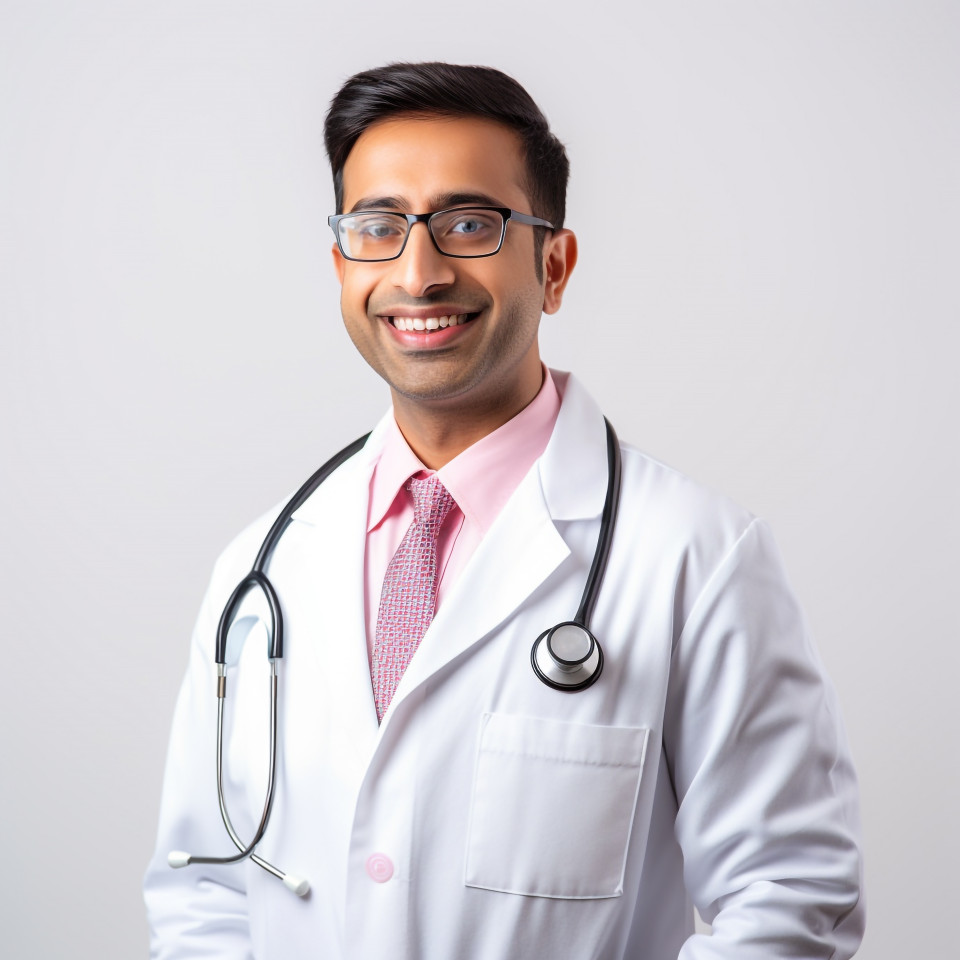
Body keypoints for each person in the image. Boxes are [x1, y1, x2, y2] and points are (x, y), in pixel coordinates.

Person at [144, 62, 865, 959]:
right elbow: (204, 890)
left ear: (553, 265)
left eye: (469, 224)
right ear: (340, 267)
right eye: (378, 227)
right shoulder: (263, 568)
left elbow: (790, 893)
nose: (419, 271)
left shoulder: (695, 555)